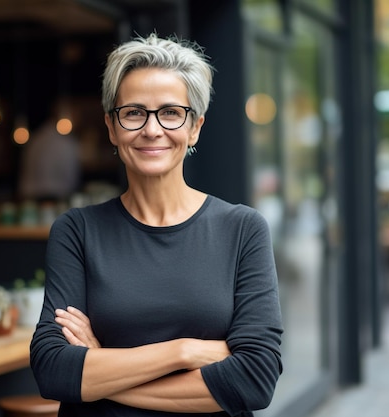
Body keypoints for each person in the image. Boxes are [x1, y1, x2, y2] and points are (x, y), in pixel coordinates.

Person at [30, 33, 283, 416]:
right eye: (133, 113)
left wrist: (102, 366)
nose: (151, 129)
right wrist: (185, 351)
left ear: (194, 127)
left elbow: (254, 379)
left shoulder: (242, 229)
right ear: (112, 128)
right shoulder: (77, 231)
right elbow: (53, 371)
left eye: (170, 112)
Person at [18, 102, 80, 203]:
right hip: (57, 197)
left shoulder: (36, 138)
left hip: (30, 198)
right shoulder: (66, 141)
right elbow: (71, 174)